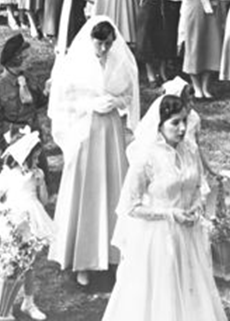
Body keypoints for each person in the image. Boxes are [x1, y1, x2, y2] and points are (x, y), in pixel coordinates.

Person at [102, 95, 228, 321]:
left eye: (184, 122)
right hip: (157, 237)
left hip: (188, 235)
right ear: (160, 125)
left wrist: (197, 208)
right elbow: (129, 206)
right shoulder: (146, 157)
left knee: (192, 288)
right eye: (175, 123)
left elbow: (198, 186)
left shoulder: (190, 150)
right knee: (160, 293)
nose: (181, 129)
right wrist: (169, 214)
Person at [48, 17, 139, 286]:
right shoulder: (75, 64)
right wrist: (90, 104)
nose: (104, 49)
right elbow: (63, 101)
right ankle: (82, 261)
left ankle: (113, 255)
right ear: (91, 40)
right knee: (86, 190)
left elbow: (129, 96)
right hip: (84, 131)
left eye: (108, 44)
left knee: (111, 188)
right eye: (100, 43)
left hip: (109, 131)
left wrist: (116, 101)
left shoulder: (119, 62)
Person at [0, 127, 53, 320]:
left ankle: (29, 302)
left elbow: (45, 201)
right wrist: (5, 210)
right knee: (10, 263)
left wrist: (41, 184)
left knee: (29, 263)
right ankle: (5, 304)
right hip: (12, 221)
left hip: (31, 219)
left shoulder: (36, 174)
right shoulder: (7, 175)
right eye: (33, 158)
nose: (36, 162)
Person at [0, 34, 48, 166]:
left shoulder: (28, 78)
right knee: (16, 179)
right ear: (16, 59)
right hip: (13, 138)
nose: (30, 60)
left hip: (33, 133)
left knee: (39, 174)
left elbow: (39, 102)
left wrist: (47, 91)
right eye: (26, 57)